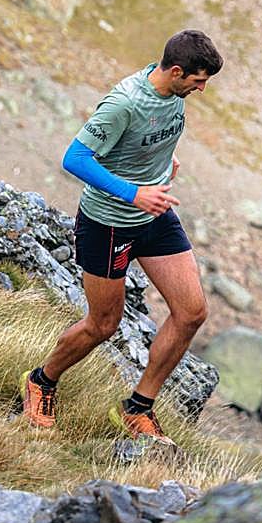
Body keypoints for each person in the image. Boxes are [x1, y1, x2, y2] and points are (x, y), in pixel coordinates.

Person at [23, 29, 223, 442]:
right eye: (198, 80)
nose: (202, 89)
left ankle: (137, 408)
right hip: (108, 224)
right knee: (103, 324)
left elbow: (148, 140)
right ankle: (42, 381)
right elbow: (74, 158)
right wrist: (133, 191)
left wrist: (164, 162)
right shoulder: (124, 103)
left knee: (191, 313)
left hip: (153, 216)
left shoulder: (172, 96)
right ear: (176, 71)